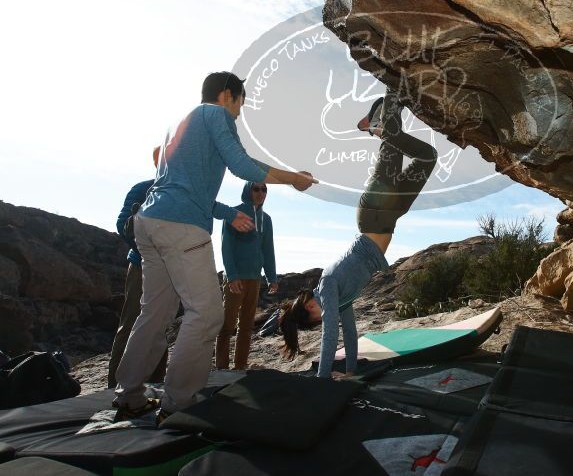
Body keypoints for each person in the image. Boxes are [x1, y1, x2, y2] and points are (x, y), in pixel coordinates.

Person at [113, 71, 316, 421]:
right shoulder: (215, 114)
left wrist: (227, 214)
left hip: (151, 222)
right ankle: (178, 402)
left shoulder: (178, 122)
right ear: (228, 95)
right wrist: (294, 178)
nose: (239, 112)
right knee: (207, 314)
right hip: (181, 227)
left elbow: (181, 184)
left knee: (155, 313)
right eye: (241, 103)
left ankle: (129, 394)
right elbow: (242, 165)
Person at [279, 87, 437, 378]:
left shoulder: (326, 287)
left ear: (310, 307)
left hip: (375, 211)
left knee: (394, 143)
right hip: (388, 215)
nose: (323, 320)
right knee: (426, 156)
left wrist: (322, 381)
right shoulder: (341, 299)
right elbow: (350, 335)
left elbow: (330, 339)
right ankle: (386, 115)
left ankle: (392, 89)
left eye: (316, 319)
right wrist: (350, 373)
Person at [108, 147, 167, 389]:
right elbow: (123, 224)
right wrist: (148, 247)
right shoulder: (142, 189)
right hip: (141, 266)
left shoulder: (181, 193)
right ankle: (115, 386)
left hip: (170, 270)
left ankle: (156, 383)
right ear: (157, 162)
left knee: (161, 326)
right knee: (131, 323)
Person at [215, 181, 278, 370]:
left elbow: (268, 249)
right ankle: (222, 368)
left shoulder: (266, 219)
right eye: (256, 189)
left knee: (246, 326)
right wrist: (232, 276)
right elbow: (226, 246)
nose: (261, 193)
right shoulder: (234, 213)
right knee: (227, 326)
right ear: (247, 190)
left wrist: (272, 277)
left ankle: (240, 366)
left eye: (264, 189)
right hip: (236, 278)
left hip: (255, 278)